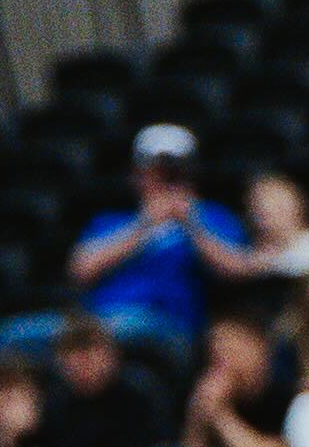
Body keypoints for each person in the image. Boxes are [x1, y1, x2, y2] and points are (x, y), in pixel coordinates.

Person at [73, 122, 257, 345]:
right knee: (23, 335)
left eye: (176, 172)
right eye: (158, 172)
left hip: (165, 326)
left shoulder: (213, 217)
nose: (167, 181)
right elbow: (81, 270)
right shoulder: (111, 221)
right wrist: (145, 224)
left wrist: (190, 223)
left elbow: (237, 269)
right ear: (137, 175)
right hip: (97, 324)